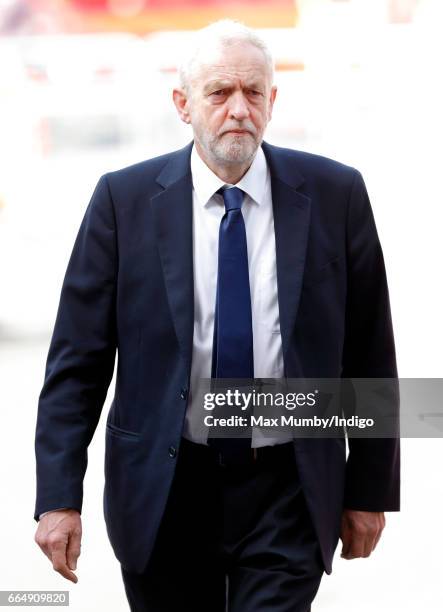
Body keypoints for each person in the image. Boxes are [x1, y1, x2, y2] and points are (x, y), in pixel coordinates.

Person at [34, 19, 400, 612]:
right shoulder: (122, 203)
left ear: (273, 102)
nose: (238, 109)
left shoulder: (336, 195)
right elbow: (77, 364)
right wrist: (57, 497)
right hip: (165, 487)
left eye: (254, 93)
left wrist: (370, 489)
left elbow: (369, 350)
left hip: (289, 485)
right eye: (219, 93)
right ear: (183, 104)